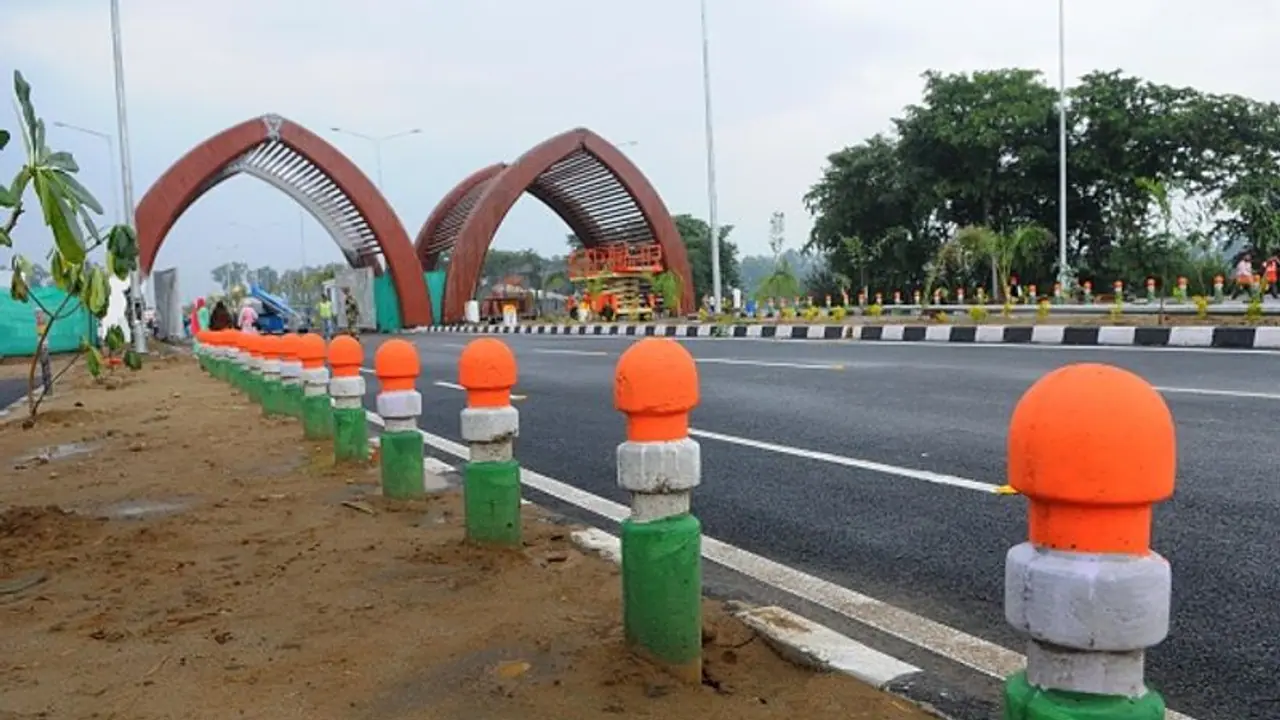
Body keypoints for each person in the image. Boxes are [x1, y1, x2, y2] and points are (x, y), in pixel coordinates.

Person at [34, 309, 52, 397]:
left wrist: (42, 346)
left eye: (39, 315)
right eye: (37, 315)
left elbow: (42, 336)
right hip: (42, 348)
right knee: (44, 369)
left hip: (44, 348)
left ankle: (48, 389)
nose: (38, 317)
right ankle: (47, 389)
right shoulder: (39, 326)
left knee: (46, 369)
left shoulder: (42, 326)